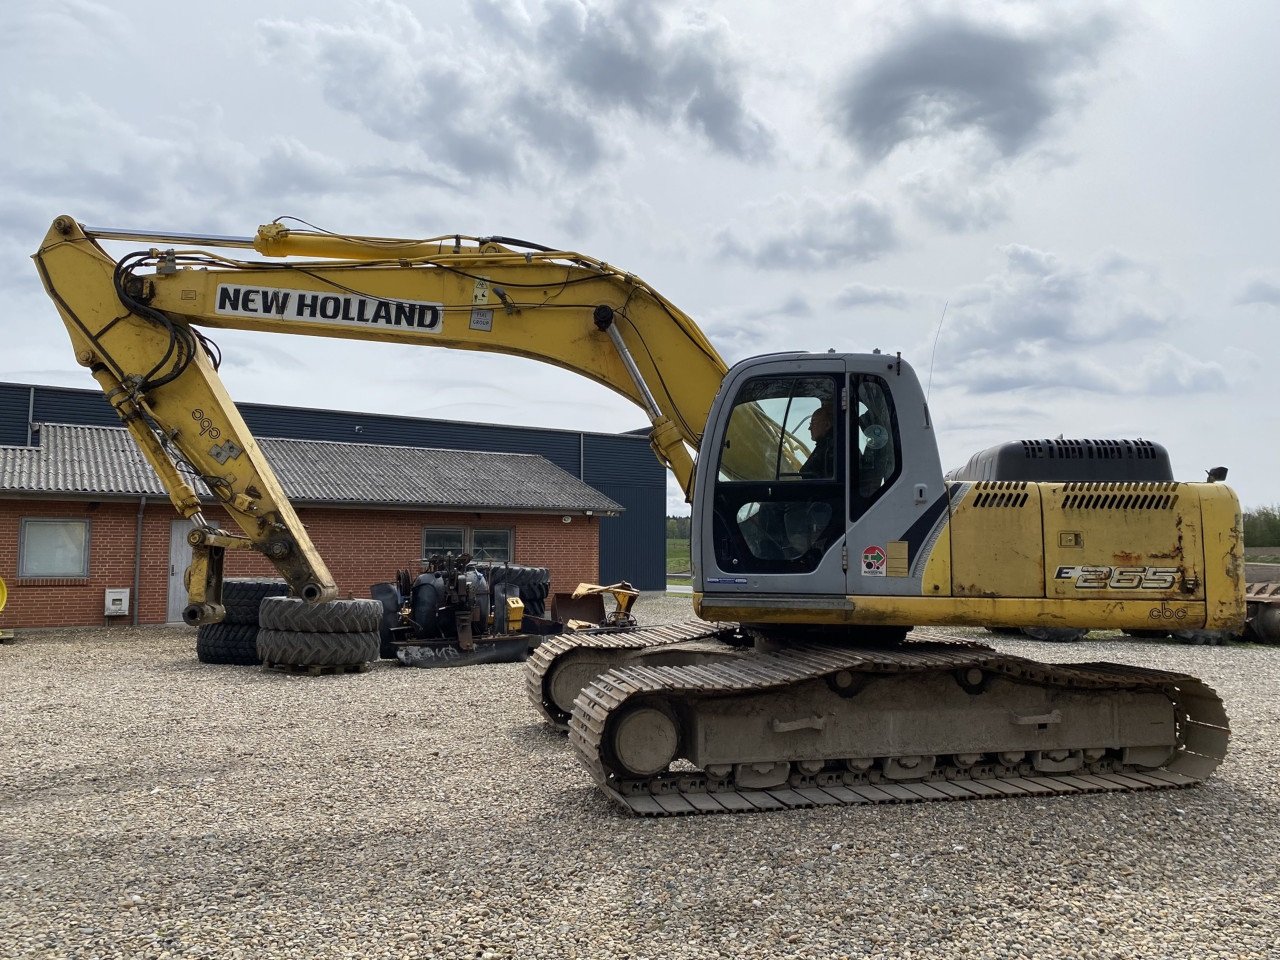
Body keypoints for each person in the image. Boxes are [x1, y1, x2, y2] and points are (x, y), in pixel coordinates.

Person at [800, 400, 834, 478]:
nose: (809, 428)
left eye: (813, 423)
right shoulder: (825, 446)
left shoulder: (831, 450)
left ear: (827, 425)